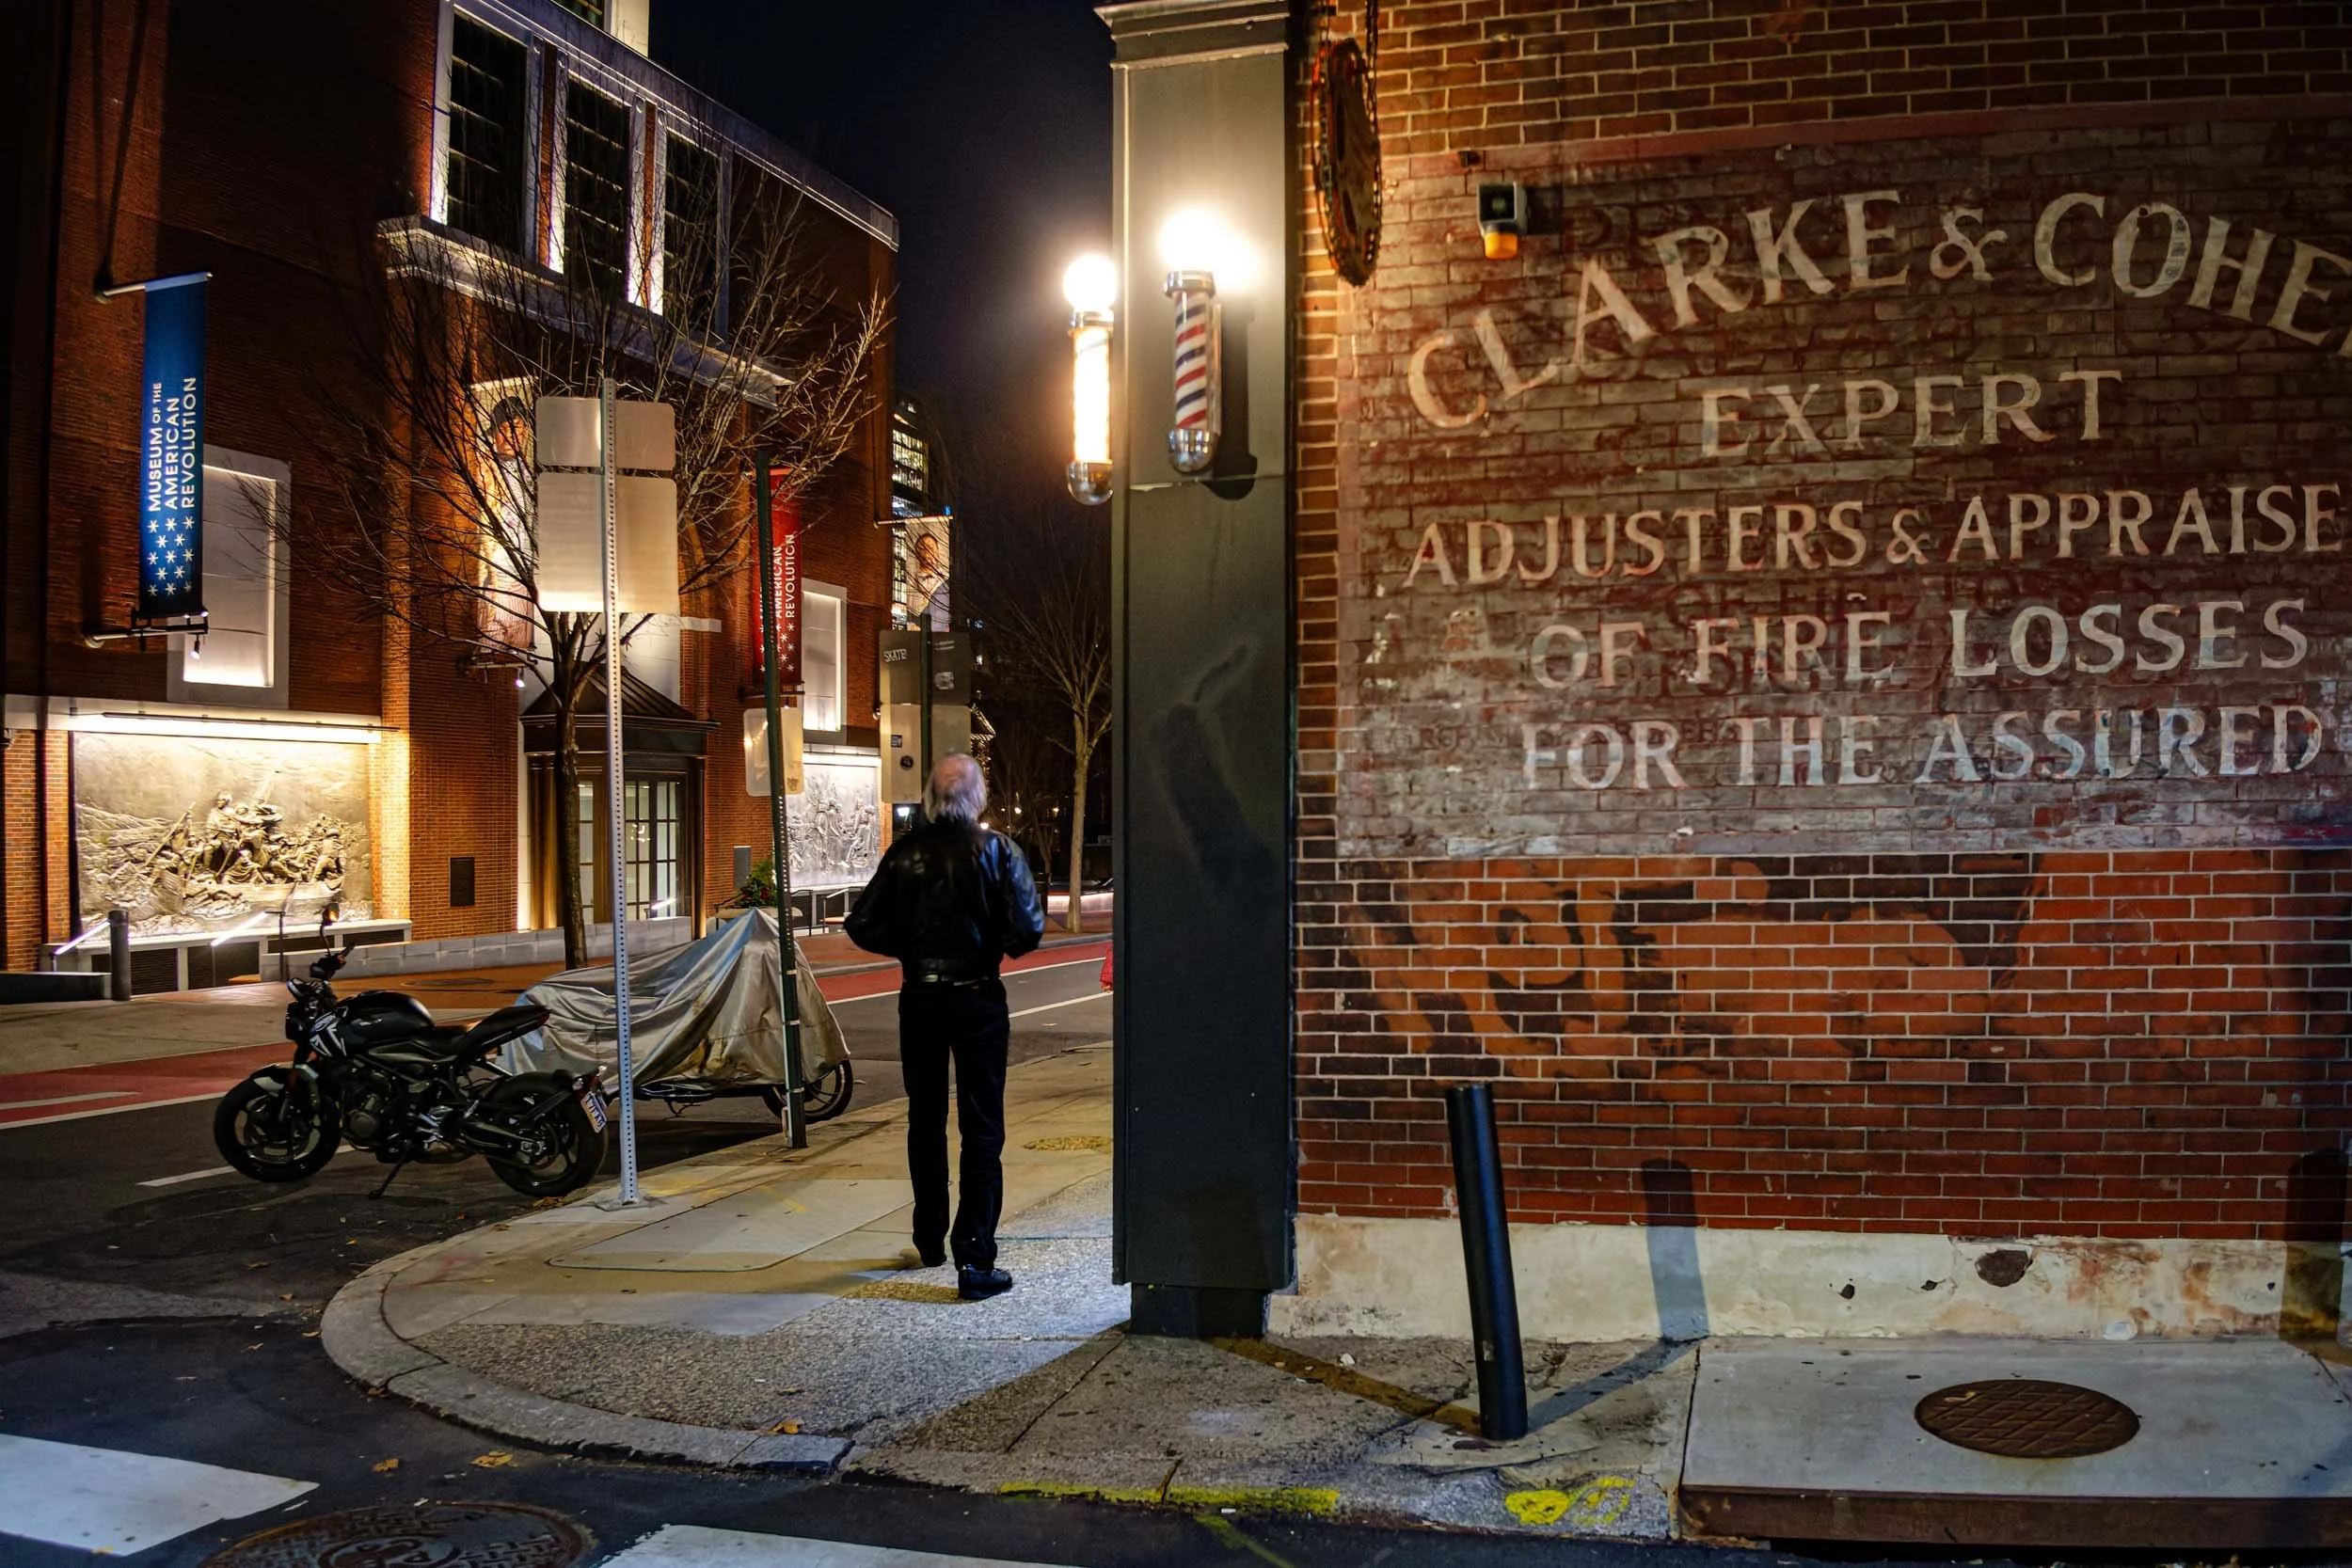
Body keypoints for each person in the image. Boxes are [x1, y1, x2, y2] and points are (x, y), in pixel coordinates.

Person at [845, 752, 1045, 1299]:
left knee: (925, 1117)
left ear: (932, 799)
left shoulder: (905, 853)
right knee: (982, 1126)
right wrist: (990, 942)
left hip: (921, 998)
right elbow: (1027, 930)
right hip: (978, 995)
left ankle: (929, 1234)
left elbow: (861, 923)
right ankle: (975, 1257)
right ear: (978, 797)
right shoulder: (998, 852)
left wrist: (911, 947)